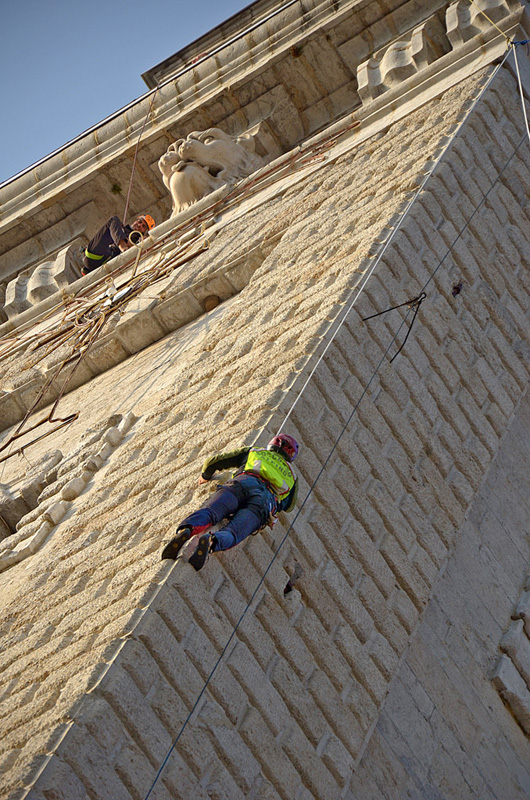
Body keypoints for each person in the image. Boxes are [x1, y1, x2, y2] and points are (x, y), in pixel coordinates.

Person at [161, 433, 300, 571]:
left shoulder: (254, 452)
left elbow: (213, 462)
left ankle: (187, 529)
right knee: (233, 533)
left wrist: (205, 475)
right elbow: (289, 506)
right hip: (264, 501)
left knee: (211, 512)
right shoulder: (293, 477)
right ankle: (211, 541)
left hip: (241, 483)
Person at [82, 214, 155, 275]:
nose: (139, 225)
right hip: (94, 256)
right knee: (114, 220)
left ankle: (123, 247)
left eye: (143, 226)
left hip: (107, 260)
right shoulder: (118, 228)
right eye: (139, 221)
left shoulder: (139, 241)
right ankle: (123, 246)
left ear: (145, 232)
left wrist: (141, 241)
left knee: (114, 220)